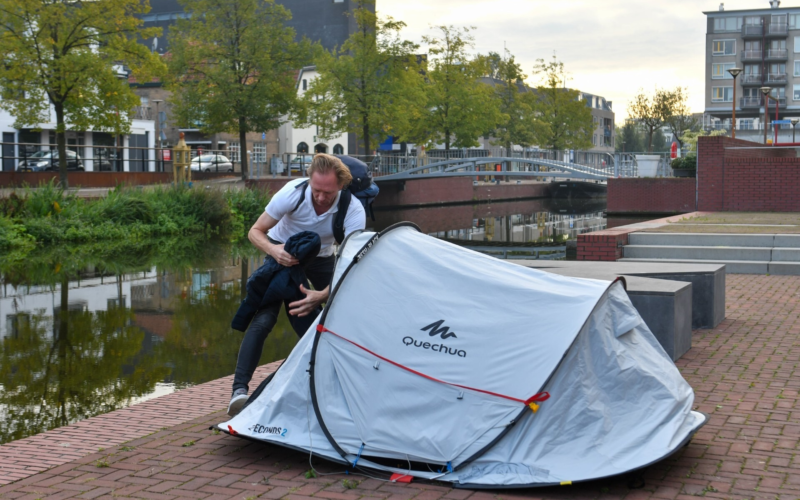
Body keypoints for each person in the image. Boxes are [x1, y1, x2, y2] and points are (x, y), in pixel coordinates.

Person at [228, 154, 366, 417]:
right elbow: (254, 231)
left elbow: (353, 263)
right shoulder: (292, 193)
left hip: (323, 259)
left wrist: (324, 294)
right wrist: (274, 250)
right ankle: (239, 392)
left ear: (341, 186)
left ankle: (347, 382)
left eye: (328, 192)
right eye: (316, 190)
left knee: (346, 305)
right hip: (283, 254)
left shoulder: (353, 209)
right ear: (309, 181)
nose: (321, 198)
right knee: (265, 318)